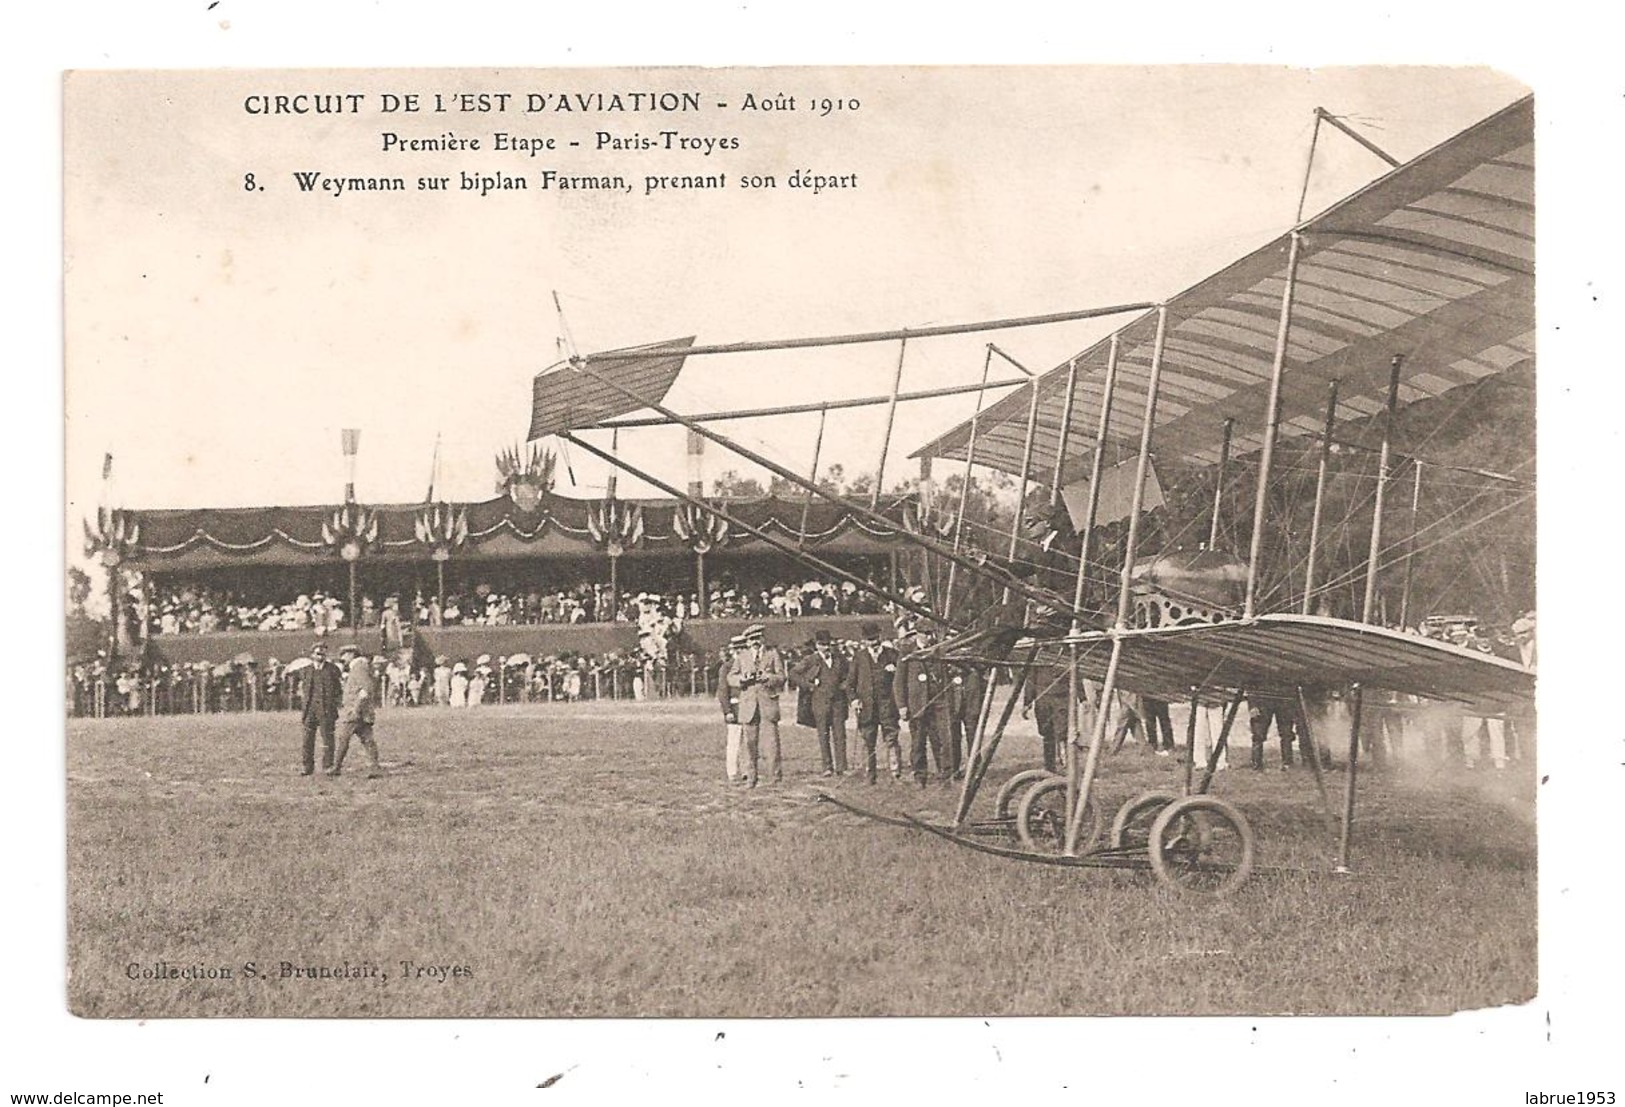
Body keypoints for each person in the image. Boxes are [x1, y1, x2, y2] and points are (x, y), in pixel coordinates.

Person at [726, 624, 786, 787]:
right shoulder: (742, 657)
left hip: (767, 703)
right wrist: (742, 679)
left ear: (762, 639)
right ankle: (751, 777)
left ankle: (775, 778)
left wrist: (769, 677)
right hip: (748, 705)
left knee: (771, 744)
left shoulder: (772, 654)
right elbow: (730, 678)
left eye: (757, 638)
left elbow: (782, 677)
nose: (755, 642)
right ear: (747, 641)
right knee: (749, 744)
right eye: (752, 639)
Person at [791, 629, 850, 777]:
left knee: (840, 734)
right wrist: (809, 685)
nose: (826, 647)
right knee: (823, 735)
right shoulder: (811, 660)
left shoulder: (840, 659)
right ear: (817, 645)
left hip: (838, 701)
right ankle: (827, 767)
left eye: (828, 644)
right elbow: (793, 674)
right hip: (819, 702)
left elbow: (848, 675)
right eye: (823, 644)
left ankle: (842, 767)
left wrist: (844, 685)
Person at [848, 621, 902, 783]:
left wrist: (894, 672)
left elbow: (901, 679)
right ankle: (869, 776)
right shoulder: (859, 657)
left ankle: (895, 774)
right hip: (867, 706)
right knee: (868, 741)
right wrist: (854, 700)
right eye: (870, 640)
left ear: (880, 636)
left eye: (876, 639)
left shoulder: (893, 654)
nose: (874, 643)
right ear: (864, 640)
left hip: (888, 705)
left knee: (891, 739)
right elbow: (849, 684)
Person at [895, 625, 948, 787]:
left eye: (930, 633)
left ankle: (944, 775)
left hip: (936, 704)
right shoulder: (907, 653)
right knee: (918, 743)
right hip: (916, 705)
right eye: (925, 633)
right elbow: (899, 682)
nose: (928, 636)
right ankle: (919, 776)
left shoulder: (937, 651)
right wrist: (902, 706)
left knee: (939, 740)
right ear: (917, 634)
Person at [331, 644, 383, 778]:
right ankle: (375, 767)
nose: (342, 658)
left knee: (343, 738)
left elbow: (364, 690)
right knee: (367, 739)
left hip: (356, 711)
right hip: (363, 711)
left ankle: (336, 767)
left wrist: (356, 709)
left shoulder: (358, 667)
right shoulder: (360, 667)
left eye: (344, 654)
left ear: (351, 654)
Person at [298, 640, 343, 776]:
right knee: (307, 740)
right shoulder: (306, 671)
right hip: (310, 709)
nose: (320, 656)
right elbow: (303, 690)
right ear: (312, 654)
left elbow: (338, 690)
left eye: (323, 653)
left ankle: (328, 766)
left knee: (328, 739)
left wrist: (334, 704)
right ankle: (307, 766)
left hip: (327, 710)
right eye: (318, 653)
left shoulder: (333, 669)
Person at [943, 659, 986, 779]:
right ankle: (954, 770)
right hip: (952, 703)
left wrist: (963, 663)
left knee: (973, 738)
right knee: (953, 738)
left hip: (970, 701)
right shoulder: (946, 654)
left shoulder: (973, 655)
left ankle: (975, 770)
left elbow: (982, 667)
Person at [717, 635, 745, 783]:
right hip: (735, 708)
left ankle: (746, 771)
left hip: (749, 708)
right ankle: (732, 771)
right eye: (738, 649)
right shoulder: (727, 667)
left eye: (743, 648)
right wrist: (727, 711)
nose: (740, 651)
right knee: (734, 741)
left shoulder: (749, 664)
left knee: (748, 741)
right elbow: (722, 692)